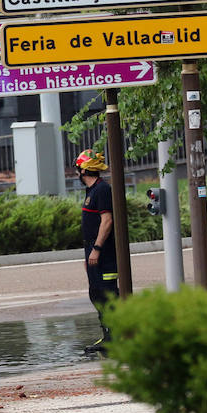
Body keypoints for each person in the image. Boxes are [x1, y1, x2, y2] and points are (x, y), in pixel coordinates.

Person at [76, 149, 116, 354]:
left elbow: (107, 220)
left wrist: (97, 249)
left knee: (107, 294)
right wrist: (90, 253)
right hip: (93, 252)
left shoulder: (101, 190)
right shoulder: (92, 191)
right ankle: (108, 337)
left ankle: (116, 339)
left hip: (104, 254)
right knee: (96, 294)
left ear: (83, 171)